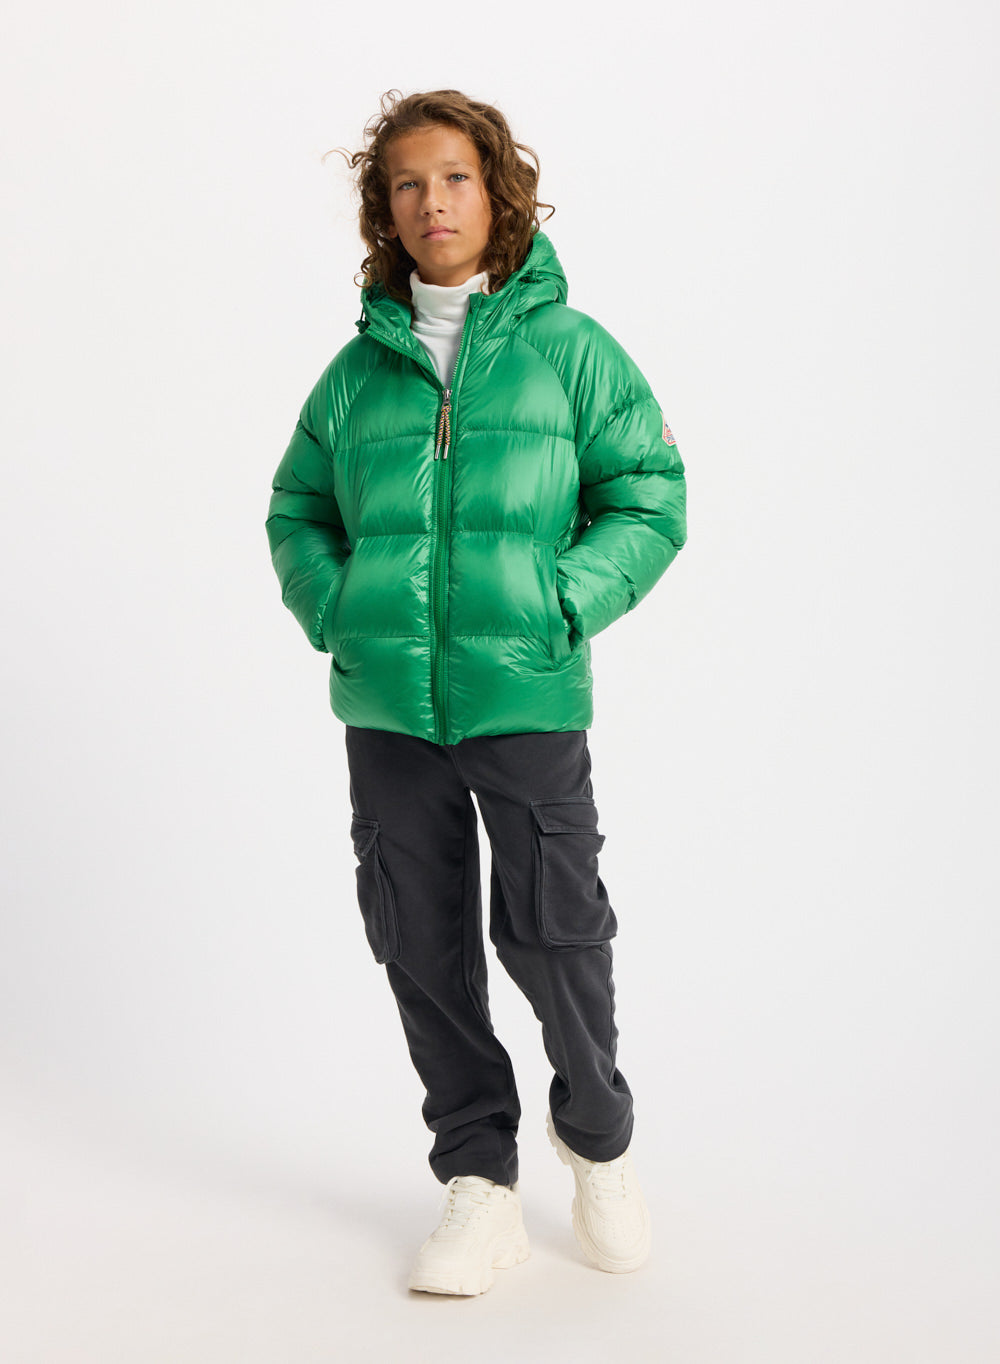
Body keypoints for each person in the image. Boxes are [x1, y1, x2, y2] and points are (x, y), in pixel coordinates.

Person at [265, 88, 687, 1297]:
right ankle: (478, 1178)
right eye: (406, 184)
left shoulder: (572, 351)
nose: (431, 202)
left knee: (556, 933)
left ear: (497, 194)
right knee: (418, 938)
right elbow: (297, 508)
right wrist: (341, 610)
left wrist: (562, 598)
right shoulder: (356, 375)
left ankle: (596, 1134)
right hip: (388, 710)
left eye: (452, 177)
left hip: (526, 698)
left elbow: (651, 492)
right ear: (384, 211)